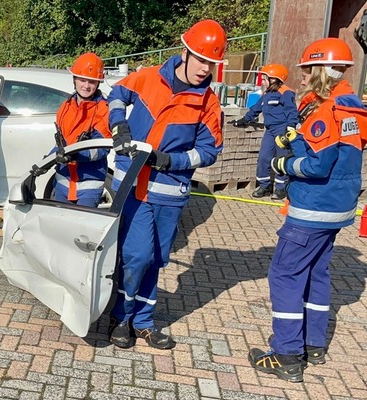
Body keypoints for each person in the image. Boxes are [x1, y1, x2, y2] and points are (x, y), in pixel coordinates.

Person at [248, 37, 365, 383]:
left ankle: (286, 354)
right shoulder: (348, 104)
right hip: (337, 208)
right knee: (317, 274)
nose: (300, 78)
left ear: (321, 71)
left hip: (312, 208)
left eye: (306, 70)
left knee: (284, 275)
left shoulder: (327, 111)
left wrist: (285, 163)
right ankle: (314, 345)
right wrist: (294, 137)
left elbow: (317, 165)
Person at [106, 20, 226, 349]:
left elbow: (209, 152)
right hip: (133, 185)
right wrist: (118, 125)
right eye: (200, 59)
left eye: (211, 63)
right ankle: (121, 316)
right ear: (185, 52)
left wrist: (173, 161)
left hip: (170, 191)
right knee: (136, 255)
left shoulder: (208, 104)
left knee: (156, 259)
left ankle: (144, 322)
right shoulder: (148, 78)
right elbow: (116, 94)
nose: (205, 69)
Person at [50, 52, 111, 207]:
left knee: (82, 230)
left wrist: (76, 155)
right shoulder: (65, 107)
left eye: (91, 81)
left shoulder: (104, 110)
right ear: (74, 80)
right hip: (63, 181)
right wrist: (47, 160)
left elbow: (102, 149)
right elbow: (61, 143)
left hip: (89, 183)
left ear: (98, 83)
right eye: (82, 80)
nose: (86, 85)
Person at [230, 64, 298, 199]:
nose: (262, 81)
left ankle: (281, 188)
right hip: (269, 130)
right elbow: (256, 108)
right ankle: (264, 186)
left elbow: (292, 111)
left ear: (274, 79)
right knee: (263, 158)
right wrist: (244, 120)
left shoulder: (285, 93)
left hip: (281, 130)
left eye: (265, 78)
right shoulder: (267, 94)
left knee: (281, 160)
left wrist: (290, 127)